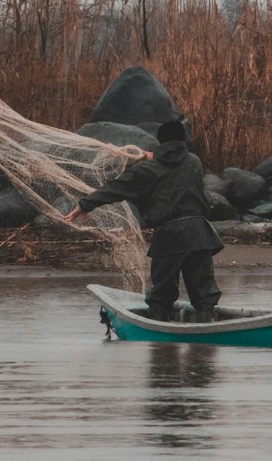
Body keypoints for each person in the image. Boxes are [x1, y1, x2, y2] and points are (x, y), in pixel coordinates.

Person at [72, 115, 223, 322]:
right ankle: (208, 334)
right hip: (199, 234)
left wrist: (85, 205)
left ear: (160, 142)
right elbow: (174, 164)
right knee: (204, 291)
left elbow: (117, 187)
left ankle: (158, 342)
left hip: (170, 237)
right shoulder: (194, 162)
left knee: (162, 294)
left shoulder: (148, 170)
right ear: (183, 141)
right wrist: (155, 159)